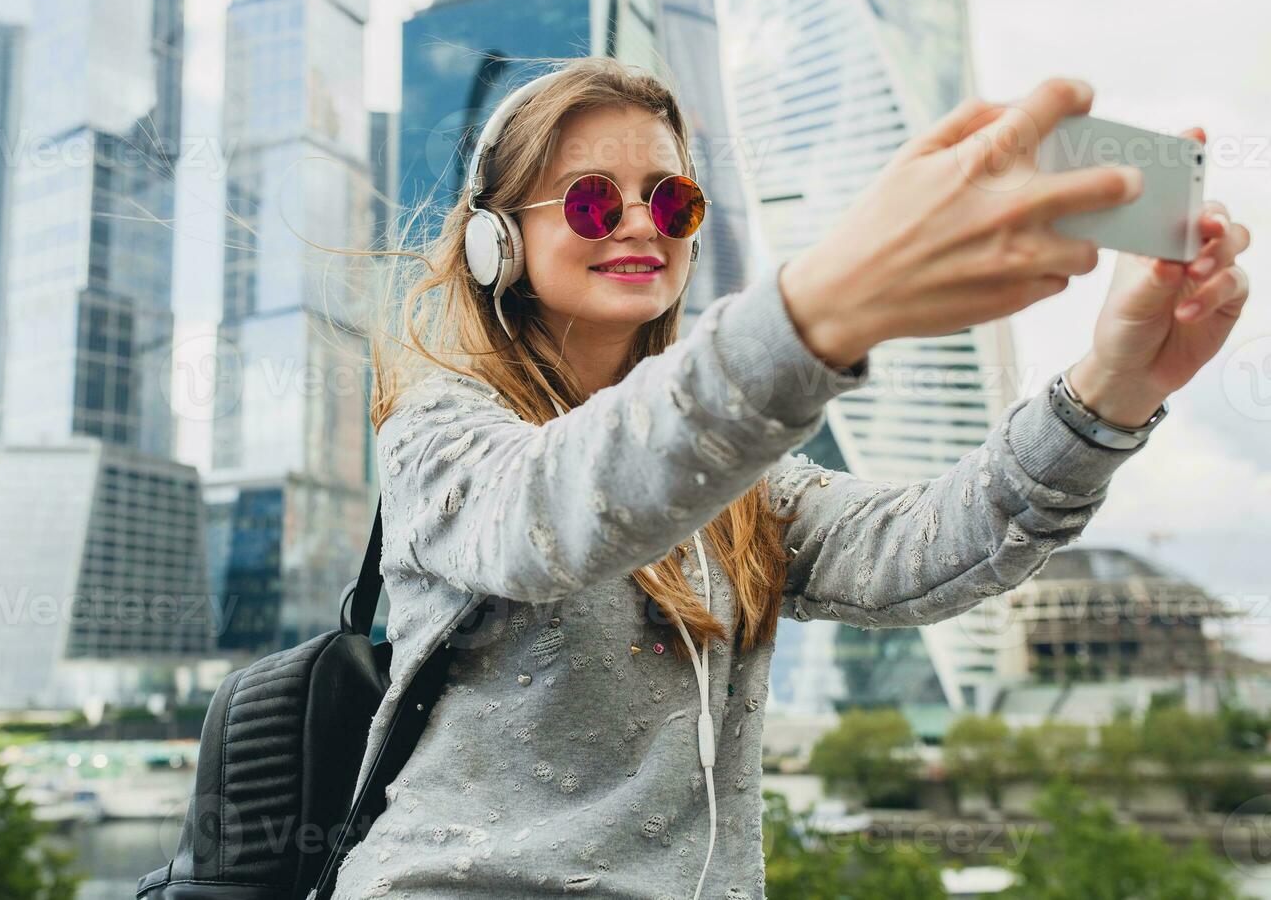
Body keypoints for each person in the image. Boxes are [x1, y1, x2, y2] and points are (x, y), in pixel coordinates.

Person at [326, 55, 1253, 899]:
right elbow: (556, 512)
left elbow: (925, 546)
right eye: (591, 202)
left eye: (672, 199)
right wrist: (819, 308)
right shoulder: (438, 431)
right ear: (497, 239)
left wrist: (1117, 388)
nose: (641, 223)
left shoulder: (739, 486)